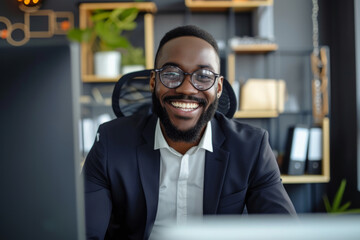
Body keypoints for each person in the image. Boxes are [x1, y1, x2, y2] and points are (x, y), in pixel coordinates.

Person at [83, 25, 296, 240]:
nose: (186, 89)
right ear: (153, 82)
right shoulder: (110, 142)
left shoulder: (251, 148)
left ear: (219, 88)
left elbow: (284, 233)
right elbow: (84, 232)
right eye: (172, 74)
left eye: (203, 76)